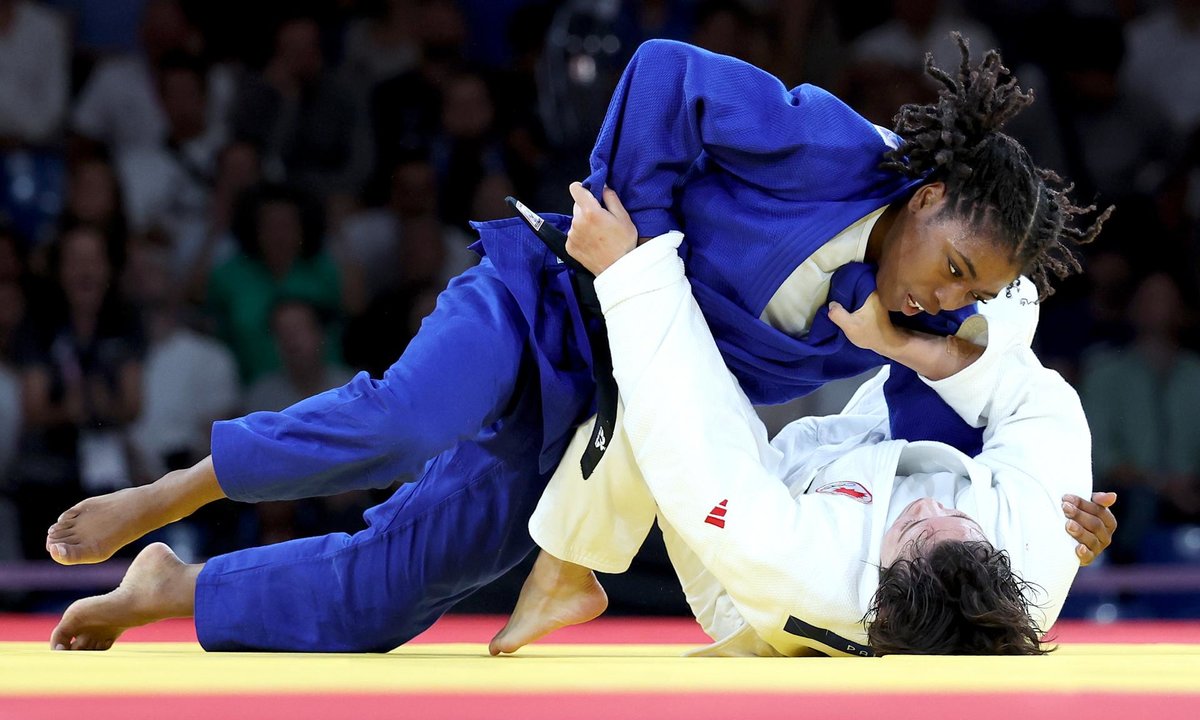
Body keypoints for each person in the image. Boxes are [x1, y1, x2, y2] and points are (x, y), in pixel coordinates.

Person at [47, 38, 1107, 651]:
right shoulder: (828, 145)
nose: (946, 295)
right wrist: (628, 236)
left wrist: (941, 368)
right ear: (924, 199)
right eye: (954, 266)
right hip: (548, 296)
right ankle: (180, 490)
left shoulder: (934, 315)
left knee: (398, 593)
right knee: (407, 419)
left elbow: (1014, 365)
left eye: (973, 289)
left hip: (603, 410)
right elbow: (661, 73)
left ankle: (168, 590)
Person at [487, 188, 1108, 657]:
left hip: (750, 565)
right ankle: (567, 566)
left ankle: (567, 568)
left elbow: (692, 445)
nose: (934, 510)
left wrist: (626, 270)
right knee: (1012, 300)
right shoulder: (1032, 552)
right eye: (960, 522)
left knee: (652, 368)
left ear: (881, 582)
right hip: (865, 450)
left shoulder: (804, 568)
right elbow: (1039, 403)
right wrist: (900, 344)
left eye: (919, 531)